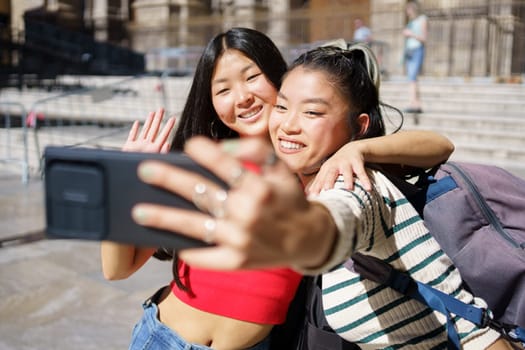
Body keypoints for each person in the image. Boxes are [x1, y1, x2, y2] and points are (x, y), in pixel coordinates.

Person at [130, 44, 513, 349]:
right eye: (283, 107)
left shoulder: (351, 183)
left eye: (311, 112)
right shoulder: (268, 166)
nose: (289, 123)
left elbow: (337, 220)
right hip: (164, 336)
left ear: (357, 126)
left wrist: (353, 159)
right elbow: (118, 269)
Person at [403, 0, 427, 114]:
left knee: (412, 78)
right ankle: (417, 104)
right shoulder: (411, 22)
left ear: (413, 9)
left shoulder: (422, 19)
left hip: (417, 50)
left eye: (408, 9)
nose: (407, 12)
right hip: (409, 51)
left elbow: (424, 38)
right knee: (412, 78)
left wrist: (410, 34)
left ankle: (412, 103)